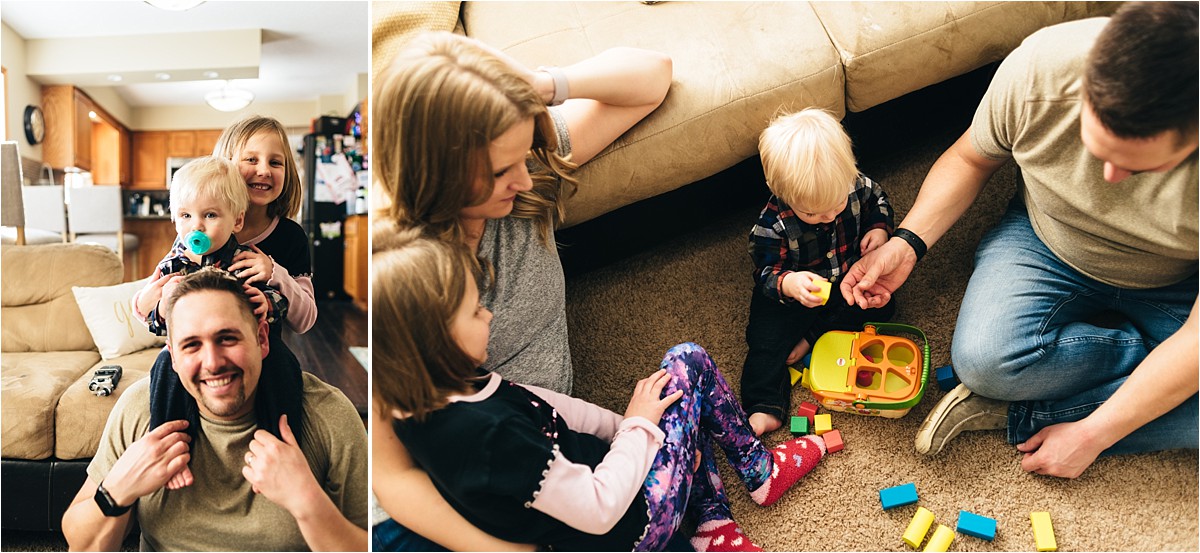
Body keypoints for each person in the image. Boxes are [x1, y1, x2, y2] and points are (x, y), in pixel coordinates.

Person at [839, 1, 1198, 478]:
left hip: (1175, 279)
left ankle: (1023, 414)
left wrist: (1096, 434)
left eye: (1139, 166)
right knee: (984, 360)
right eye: (1098, 149)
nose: (1110, 180)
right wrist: (908, 241)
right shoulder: (1040, 69)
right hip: (1045, 240)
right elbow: (971, 159)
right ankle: (1155, 372)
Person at [371, 31, 672, 549]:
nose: (526, 180)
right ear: (436, 174)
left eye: (522, 155)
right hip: (445, 500)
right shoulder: (399, 275)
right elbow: (393, 474)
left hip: (546, 456)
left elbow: (654, 76)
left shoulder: (517, 166)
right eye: (499, 171)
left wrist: (536, 88)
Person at [373, 229, 825, 552]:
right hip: (628, 527)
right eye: (474, 312)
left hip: (608, 494)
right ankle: (758, 471)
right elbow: (598, 508)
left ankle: (711, 528)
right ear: (433, 342)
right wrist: (640, 429)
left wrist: (630, 425)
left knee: (668, 407)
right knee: (687, 362)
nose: (490, 317)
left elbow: (557, 409)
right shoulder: (492, 439)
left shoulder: (435, 390)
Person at [62, 267, 368, 551]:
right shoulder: (139, 410)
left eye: (227, 338)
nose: (212, 362)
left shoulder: (326, 413)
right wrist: (117, 489)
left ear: (262, 338)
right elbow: (80, 543)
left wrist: (308, 502)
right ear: (173, 355)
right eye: (191, 345)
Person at [742, 108, 896, 436]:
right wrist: (789, 284)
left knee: (881, 305)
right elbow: (765, 271)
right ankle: (764, 405)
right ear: (781, 192)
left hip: (846, 278)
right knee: (764, 342)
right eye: (812, 212)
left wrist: (879, 229)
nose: (828, 216)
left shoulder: (856, 185)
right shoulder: (773, 224)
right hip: (794, 292)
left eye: (837, 205)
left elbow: (880, 203)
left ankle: (811, 339)